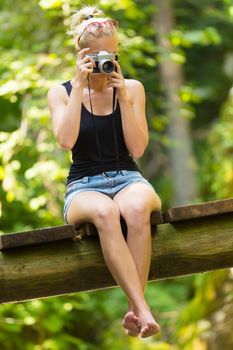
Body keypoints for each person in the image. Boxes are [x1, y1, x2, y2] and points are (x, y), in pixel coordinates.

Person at [47, 5, 162, 338]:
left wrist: (123, 97)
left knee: (137, 208)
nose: (104, 62)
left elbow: (137, 149)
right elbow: (66, 141)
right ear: (82, 55)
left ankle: (134, 310)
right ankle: (142, 309)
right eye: (97, 56)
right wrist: (80, 85)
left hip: (128, 177)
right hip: (83, 185)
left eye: (111, 55)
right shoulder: (61, 93)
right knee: (106, 212)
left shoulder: (133, 88)